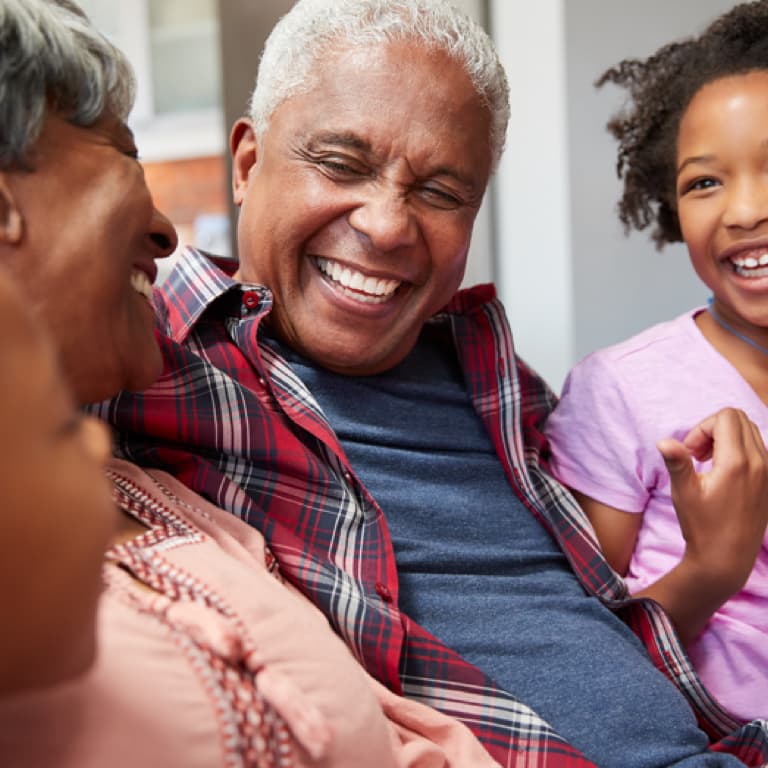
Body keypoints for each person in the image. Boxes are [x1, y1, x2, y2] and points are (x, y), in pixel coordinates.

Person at [96, 0, 768, 765]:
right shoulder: (151, 357)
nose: (387, 225)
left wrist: (709, 571)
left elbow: (600, 633)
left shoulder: (499, 383)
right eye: (341, 164)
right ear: (248, 164)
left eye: (442, 193)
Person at [0, 2, 503, 766]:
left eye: (441, 192)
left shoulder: (175, 508)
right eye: (123, 151)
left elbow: (405, 738)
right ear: (247, 165)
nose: (166, 231)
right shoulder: (174, 358)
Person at [544, 0, 768, 725]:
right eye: (704, 182)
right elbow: (584, 655)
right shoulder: (621, 389)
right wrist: (712, 568)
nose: (743, 211)